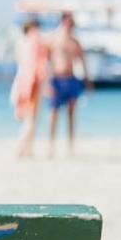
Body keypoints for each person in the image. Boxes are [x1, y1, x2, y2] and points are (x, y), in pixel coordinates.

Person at [44, 11, 90, 155]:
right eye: (70, 21)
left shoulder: (74, 42)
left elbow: (82, 60)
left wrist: (87, 79)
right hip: (56, 79)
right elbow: (46, 61)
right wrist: (46, 82)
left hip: (71, 79)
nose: (72, 24)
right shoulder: (52, 39)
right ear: (64, 20)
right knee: (53, 113)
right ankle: (50, 146)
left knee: (71, 114)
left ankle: (70, 147)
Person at [10, 16, 49, 158]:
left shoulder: (21, 42)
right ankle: (22, 149)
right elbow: (39, 65)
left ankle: (27, 149)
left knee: (29, 117)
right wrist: (45, 84)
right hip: (32, 81)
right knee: (32, 118)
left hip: (21, 80)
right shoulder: (35, 41)